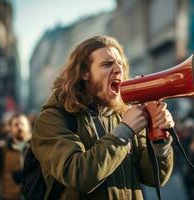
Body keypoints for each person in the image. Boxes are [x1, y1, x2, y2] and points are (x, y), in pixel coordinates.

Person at [31, 35, 175, 199]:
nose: (118, 70)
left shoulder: (123, 116)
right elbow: (78, 175)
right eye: (107, 64)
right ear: (84, 73)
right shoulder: (52, 119)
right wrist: (124, 133)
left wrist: (159, 143)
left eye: (120, 64)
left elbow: (155, 178)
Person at [0, 113, 31, 200]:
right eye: (16, 124)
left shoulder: (36, 148)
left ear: (28, 126)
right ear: (10, 127)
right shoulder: (2, 149)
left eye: (23, 124)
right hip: (8, 196)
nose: (20, 127)